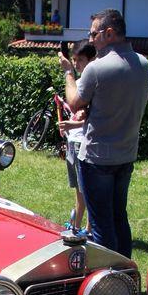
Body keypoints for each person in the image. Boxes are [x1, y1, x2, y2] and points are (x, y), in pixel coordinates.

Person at [60, 9, 148, 258]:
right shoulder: (143, 64)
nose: (91, 40)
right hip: (126, 155)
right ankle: (126, 273)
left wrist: (69, 73)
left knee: (101, 226)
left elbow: (74, 103)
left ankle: (108, 282)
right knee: (120, 217)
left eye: (93, 34)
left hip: (97, 159)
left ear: (109, 33)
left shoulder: (96, 69)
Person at [58, 41, 96, 235]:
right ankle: (76, 224)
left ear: (92, 59)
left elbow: (93, 117)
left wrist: (73, 125)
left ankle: (89, 229)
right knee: (78, 188)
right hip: (73, 140)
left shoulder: (91, 82)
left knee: (86, 188)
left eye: (80, 59)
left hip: (83, 141)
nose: (77, 63)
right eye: (74, 60)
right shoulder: (79, 82)